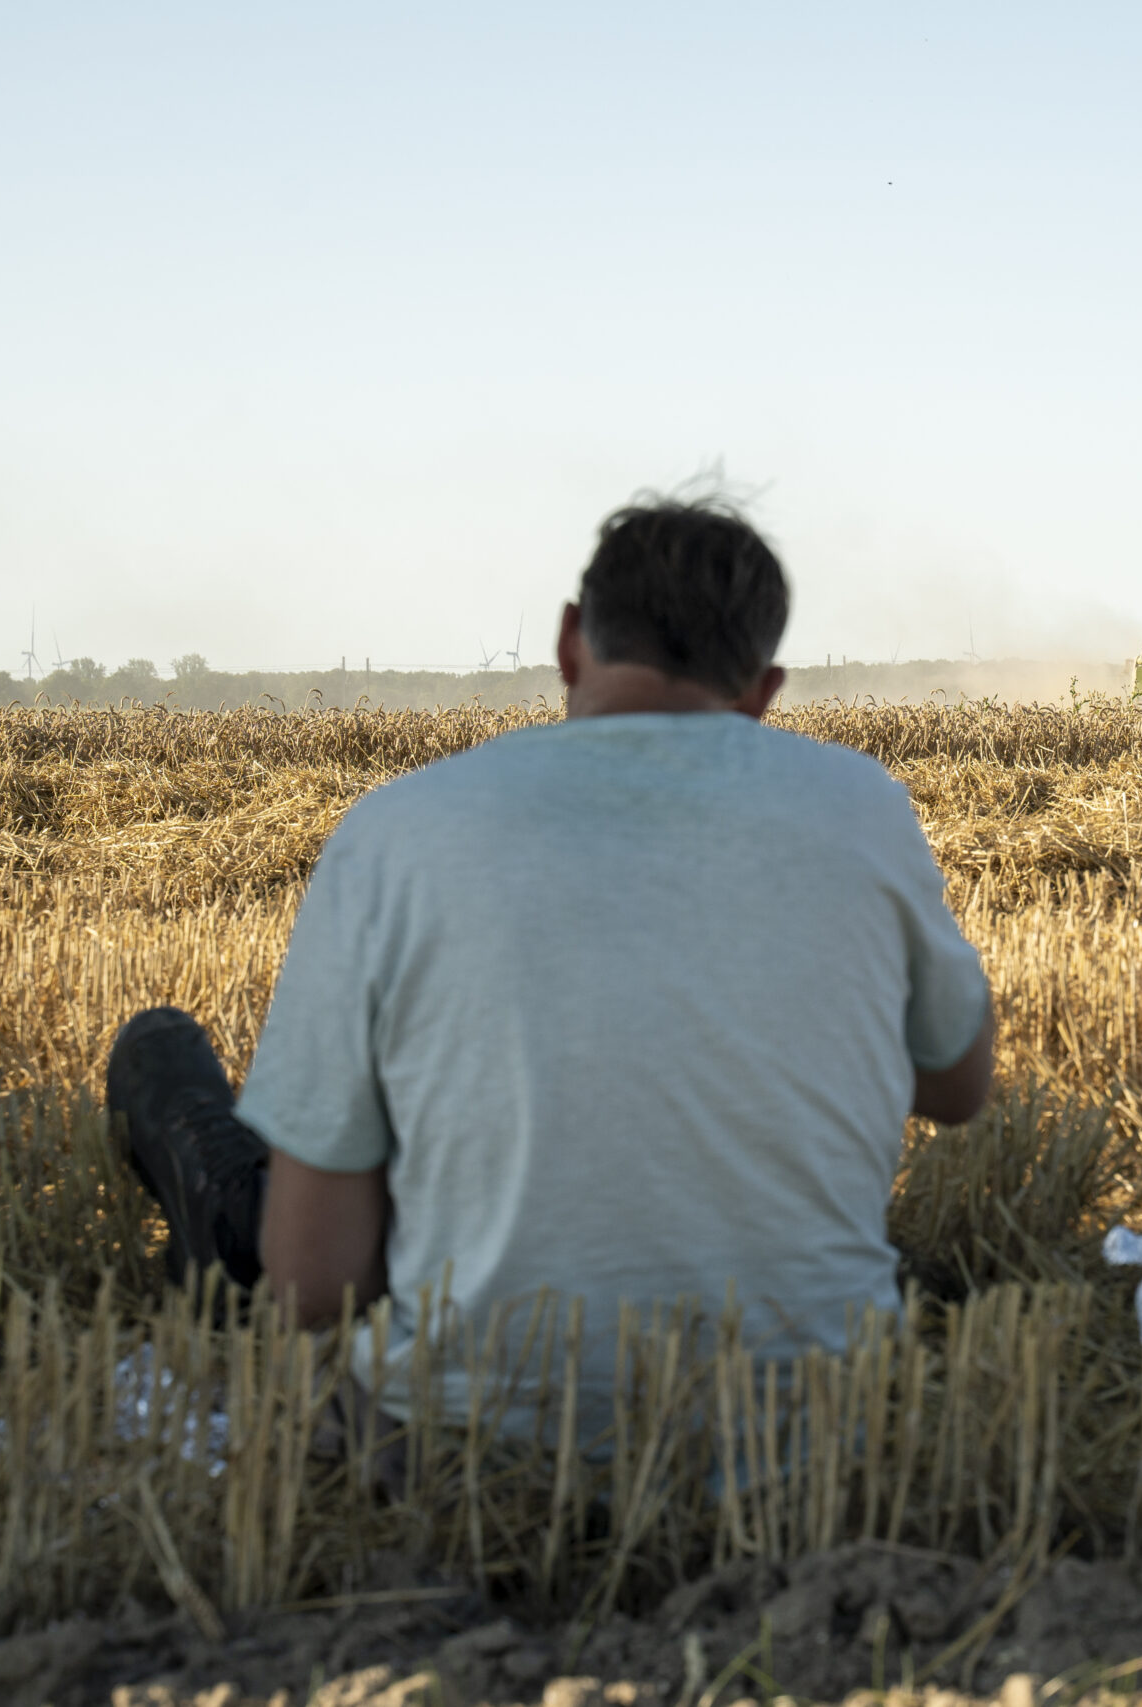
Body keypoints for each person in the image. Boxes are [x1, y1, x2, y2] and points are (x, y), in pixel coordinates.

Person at [105, 495, 995, 1420]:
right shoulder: (865, 804)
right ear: (765, 693)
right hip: (815, 1429)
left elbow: (314, 1284)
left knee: (172, 1073)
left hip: (463, 1443)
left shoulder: (397, 831)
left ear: (570, 640)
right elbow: (959, 1086)